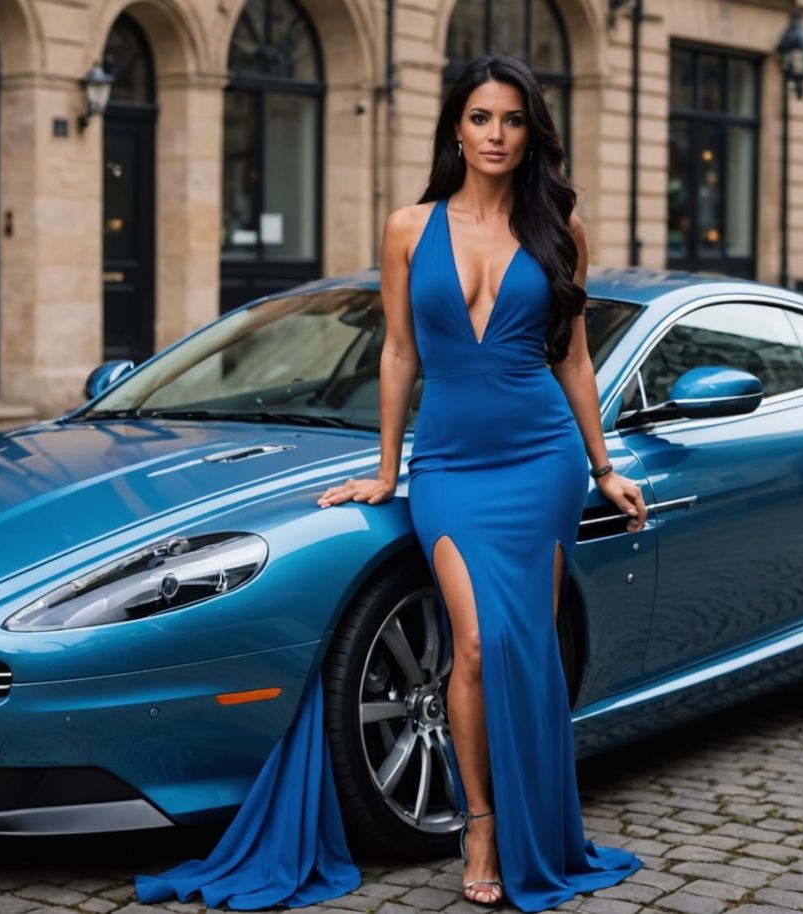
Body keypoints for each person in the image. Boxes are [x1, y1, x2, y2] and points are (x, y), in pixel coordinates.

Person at [133, 53, 648, 912]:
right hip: (450, 463)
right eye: (482, 118)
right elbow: (400, 352)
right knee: (474, 646)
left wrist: (602, 467)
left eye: (513, 120)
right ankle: (479, 821)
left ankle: (535, 828)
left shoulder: (562, 226)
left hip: (542, 461)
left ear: (532, 135)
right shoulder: (409, 227)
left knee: (526, 650)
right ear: (456, 126)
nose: (496, 134)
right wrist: (384, 469)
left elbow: (576, 358)